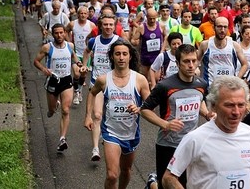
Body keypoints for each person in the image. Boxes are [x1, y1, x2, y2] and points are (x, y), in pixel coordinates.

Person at [162, 76, 250, 189]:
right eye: (229, 105)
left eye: (241, 105)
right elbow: (169, 177)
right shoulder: (195, 138)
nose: (236, 112)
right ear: (213, 106)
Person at [141, 44, 212, 189]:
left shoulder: (202, 84)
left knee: (186, 183)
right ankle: (152, 183)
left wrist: (206, 113)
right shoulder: (165, 86)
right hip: (168, 144)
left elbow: (200, 101)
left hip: (191, 143)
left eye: (194, 61)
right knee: (166, 185)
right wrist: (166, 124)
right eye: (186, 61)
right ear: (178, 63)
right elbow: (145, 110)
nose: (191, 65)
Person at [86, 39, 150, 189]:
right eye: (118, 54)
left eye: (124, 54)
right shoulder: (104, 80)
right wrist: (88, 116)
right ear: (112, 57)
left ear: (130, 57)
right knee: (112, 175)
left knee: (126, 171)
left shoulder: (140, 80)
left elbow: (149, 106)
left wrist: (139, 108)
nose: (121, 57)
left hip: (131, 133)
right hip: (111, 132)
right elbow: (92, 93)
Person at [33, 23, 81, 152]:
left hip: (66, 80)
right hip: (53, 80)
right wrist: (44, 69)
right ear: (52, 34)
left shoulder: (70, 46)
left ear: (65, 33)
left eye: (61, 32)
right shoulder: (47, 47)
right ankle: (53, 107)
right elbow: (36, 61)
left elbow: (74, 57)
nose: (59, 35)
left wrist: (79, 64)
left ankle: (62, 139)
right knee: (52, 110)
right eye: (56, 33)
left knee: (66, 110)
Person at [82, 13, 120, 161]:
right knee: (97, 115)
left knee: (112, 115)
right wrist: (85, 65)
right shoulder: (94, 41)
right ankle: (96, 149)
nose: (108, 27)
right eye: (105, 24)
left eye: (111, 24)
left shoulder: (119, 41)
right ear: (100, 26)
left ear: (115, 26)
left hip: (114, 85)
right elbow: (86, 51)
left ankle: (109, 138)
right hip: (97, 84)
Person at [197, 17, 249, 86]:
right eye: (219, 27)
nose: (222, 30)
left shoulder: (234, 45)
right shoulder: (205, 45)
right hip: (210, 87)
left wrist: (237, 79)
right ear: (213, 27)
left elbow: (245, 64)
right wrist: (196, 69)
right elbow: (196, 60)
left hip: (229, 87)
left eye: (225, 27)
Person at [65, 6, 96, 105]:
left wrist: (93, 50)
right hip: (76, 53)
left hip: (86, 54)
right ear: (78, 14)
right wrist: (69, 43)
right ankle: (76, 92)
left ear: (87, 15)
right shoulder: (72, 24)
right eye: (81, 13)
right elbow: (66, 32)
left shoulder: (91, 25)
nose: (83, 15)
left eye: (84, 13)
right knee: (77, 74)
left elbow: (96, 38)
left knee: (83, 74)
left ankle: (80, 90)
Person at [131, 8, 168, 81]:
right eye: (150, 19)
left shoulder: (161, 25)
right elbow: (133, 39)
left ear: (156, 17)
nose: (152, 20)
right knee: (146, 79)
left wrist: (163, 49)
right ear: (146, 17)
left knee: (156, 78)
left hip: (157, 56)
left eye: (154, 18)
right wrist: (135, 42)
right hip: (145, 56)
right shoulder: (142, 27)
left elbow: (165, 36)